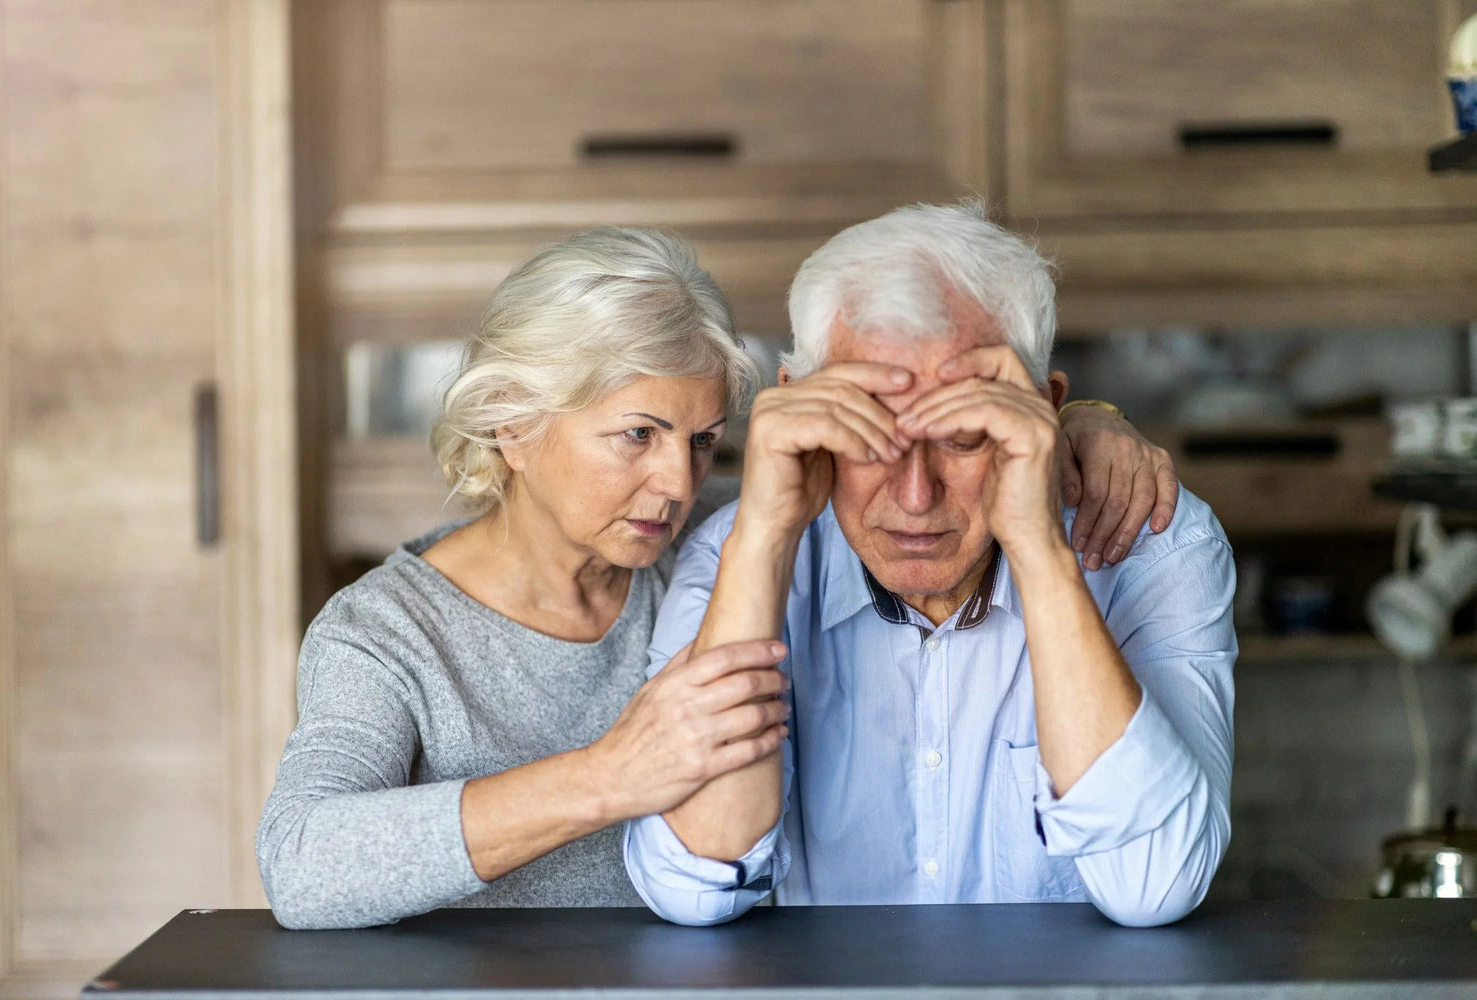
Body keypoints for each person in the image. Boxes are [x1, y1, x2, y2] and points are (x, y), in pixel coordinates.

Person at [256, 225, 1181, 929]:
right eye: (638, 434)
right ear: (513, 422)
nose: (679, 482)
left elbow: (899, 477)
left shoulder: (719, 544)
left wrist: (1081, 427)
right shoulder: (386, 631)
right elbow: (300, 862)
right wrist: (608, 777)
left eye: (702, 440)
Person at [623, 203, 1236, 928]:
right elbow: (692, 890)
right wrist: (763, 540)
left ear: (1045, 411)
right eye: (865, 431)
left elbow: (1156, 885)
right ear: (797, 411)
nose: (915, 497)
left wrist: (1041, 549)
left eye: (965, 434)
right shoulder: (736, 551)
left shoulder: (1152, 540)